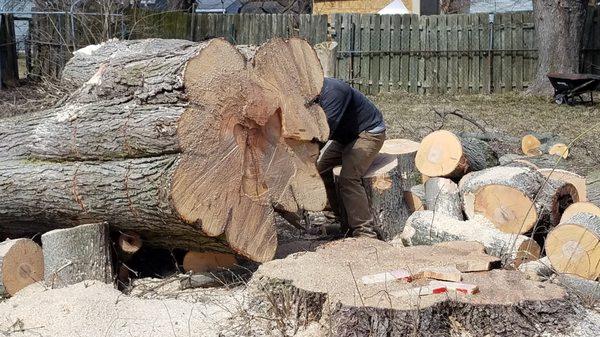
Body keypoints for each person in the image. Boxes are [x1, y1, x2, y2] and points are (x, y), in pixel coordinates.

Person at [316, 78, 386, 239]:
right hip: (346, 138)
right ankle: (338, 218)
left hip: (368, 133)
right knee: (321, 170)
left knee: (349, 178)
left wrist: (308, 156)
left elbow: (325, 132)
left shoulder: (334, 91)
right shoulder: (310, 95)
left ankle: (365, 231)